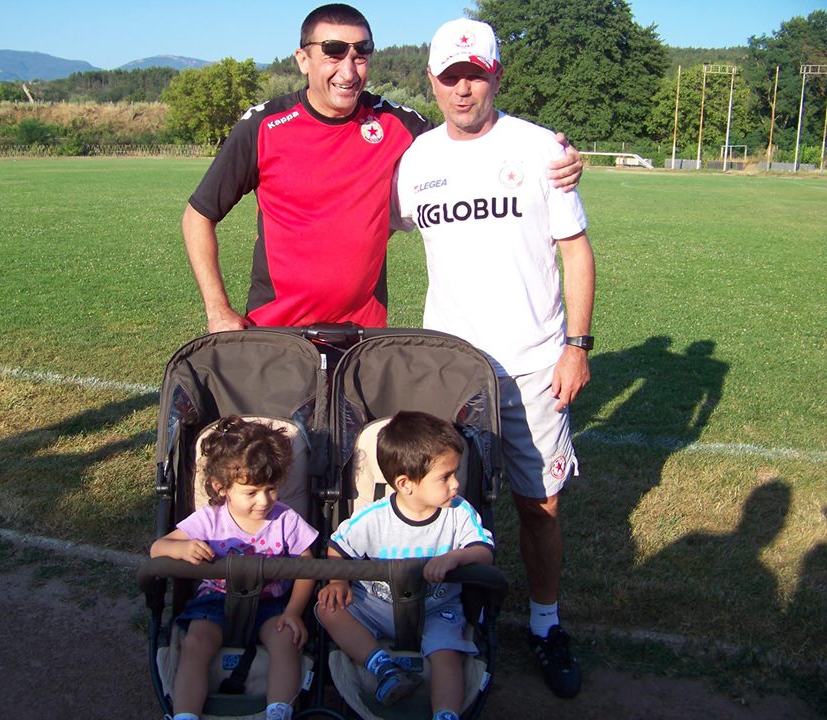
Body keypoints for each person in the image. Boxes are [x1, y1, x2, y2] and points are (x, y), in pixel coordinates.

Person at [391, 19, 596, 699]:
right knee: (446, 501)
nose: (463, 88)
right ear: (432, 80)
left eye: (475, 74)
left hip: (534, 365)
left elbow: (576, 251)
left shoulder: (540, 149)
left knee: (539, 506)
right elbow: (368, 225)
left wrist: (577, 347)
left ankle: (545, 624)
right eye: (450, 76)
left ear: (496, 76)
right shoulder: (416, 159)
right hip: (448, 370)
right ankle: (451, 619)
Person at [182, 3, 583, 332]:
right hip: (276, 331)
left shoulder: (397, 124)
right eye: (333, 52)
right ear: (303, 59)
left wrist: (554, 153)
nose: (348, 70)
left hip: (363, 336)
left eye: (360, 54)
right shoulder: (263, 127)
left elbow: (468, 136)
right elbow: (198, 216)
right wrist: (218, 309)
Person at [316, 411, 494, 720]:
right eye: (445, 477)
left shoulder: (459, 513)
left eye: (456, 473)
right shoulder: (373, 518)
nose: (456, 484)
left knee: (447, 655)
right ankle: (382, 666)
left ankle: (446, 714)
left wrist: (454, 557)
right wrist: (338, 583)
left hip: (436, 609)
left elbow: (484, 552)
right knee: (327, 610)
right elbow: (337, 548)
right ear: (406, 484)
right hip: (376, 607)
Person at [150, 416, 319, 720]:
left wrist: (294, 612)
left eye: (271, 489)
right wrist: (182, 548)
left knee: (286, 641)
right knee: (196, 643)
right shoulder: (210, 519)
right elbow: (158, 548)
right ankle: (185, 714)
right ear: (222, 488)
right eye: (251, 492)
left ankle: (279, 711)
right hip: (214, 602)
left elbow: (307, 565)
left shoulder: (285, 519)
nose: (264, 500)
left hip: (269, 604)